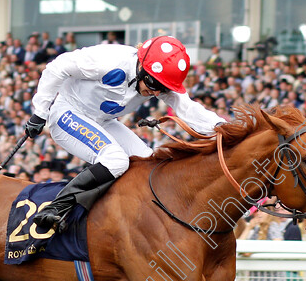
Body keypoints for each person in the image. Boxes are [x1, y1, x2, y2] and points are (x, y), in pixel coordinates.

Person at [24, 35, 224, 233]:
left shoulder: (156, 78)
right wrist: (40, 112)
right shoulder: (108, 61)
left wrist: (226, 129)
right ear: (141, 67)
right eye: (154, 85)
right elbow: (57, 67)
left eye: (162, 88)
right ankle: (56, 208)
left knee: (150, 163)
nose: (156, 93)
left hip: (103, 121)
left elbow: (189, 109)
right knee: (116, 160)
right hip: (67, 112)